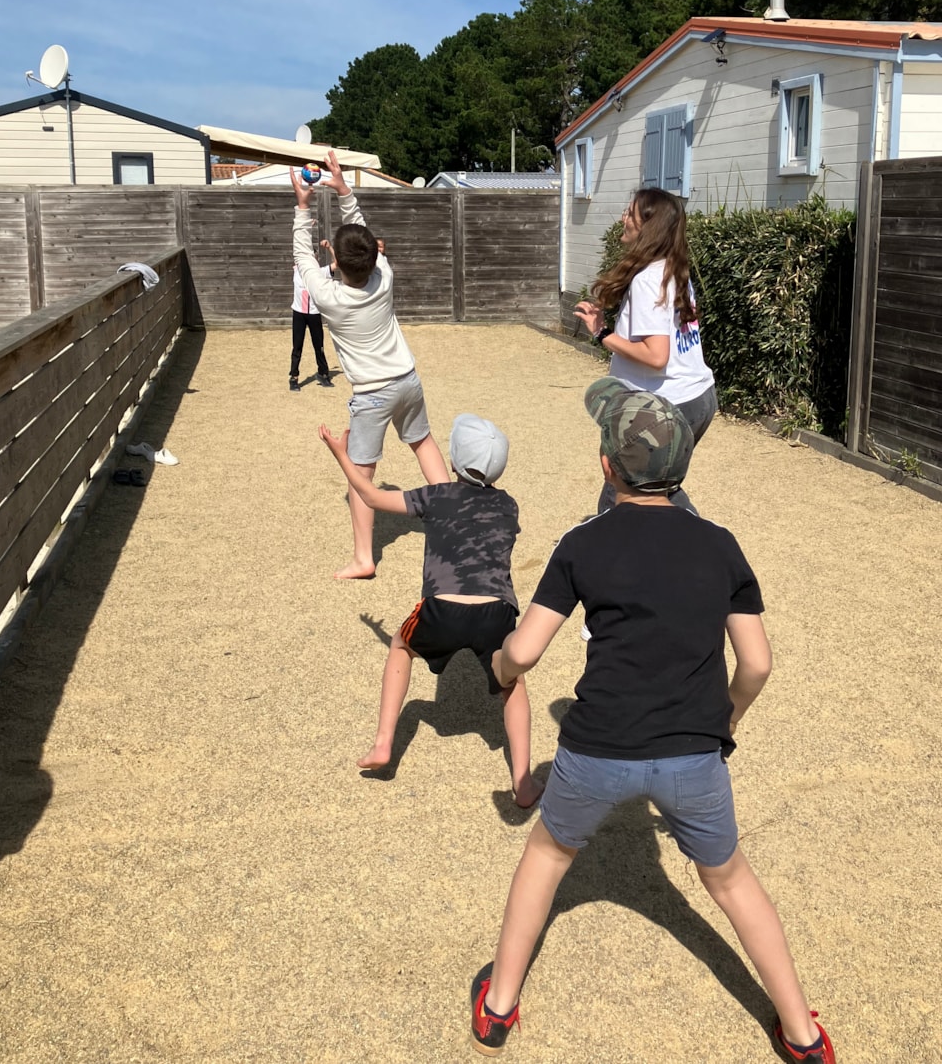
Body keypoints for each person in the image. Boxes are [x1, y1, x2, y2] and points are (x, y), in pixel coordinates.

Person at [468, 379, 835, 1064]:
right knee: (731, 880)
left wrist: (502, 669)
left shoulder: (582, 543)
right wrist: (725, 722)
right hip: (694, 755)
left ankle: (497, 1006)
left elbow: (525, 649)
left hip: (596, 748)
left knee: (546, 857)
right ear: (683, 465)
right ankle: (802, 1035)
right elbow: (756, 662)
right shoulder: (720, 544)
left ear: (607, 465)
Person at [318, 413, 541, 808]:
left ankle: (383, 744)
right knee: (512, 683)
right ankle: (523, 783)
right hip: (497, 613)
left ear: (453, 461)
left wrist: (342, 455)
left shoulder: (436, 496)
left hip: (442, 608)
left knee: (400, 646)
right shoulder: (509, 505)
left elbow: (371, 497)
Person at [291, 151, 449, 579]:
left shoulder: (329, 297)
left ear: (338, 263)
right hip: (407, 379)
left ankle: (364, 559)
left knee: (361, 474)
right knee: (423, 443)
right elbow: (362, 233)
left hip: (372, 394)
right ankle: (454, 518)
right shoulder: (384, 275)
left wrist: (303, 205)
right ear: (374, 256)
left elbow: (303, 256)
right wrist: (344, 189)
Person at [574, 187, 716, 512]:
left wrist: (602, 334)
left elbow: (656, 356)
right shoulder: (672, 269)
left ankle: (689, 537)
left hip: (668, 404)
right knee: (660, 487)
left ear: (647, 226)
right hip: (697, 396)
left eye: (630, 213)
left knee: (624, 492)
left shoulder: (648, 280)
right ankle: (690, 536)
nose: (622, 218)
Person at [289, 262, 332, 390]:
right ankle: (294, 377)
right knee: (297, 346)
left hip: (314, 314)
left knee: (319, 346)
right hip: (299, 313)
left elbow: (337, 264)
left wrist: (330, 250)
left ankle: (323, 373)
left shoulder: (320, 272)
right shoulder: (297, 270)